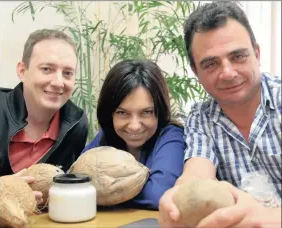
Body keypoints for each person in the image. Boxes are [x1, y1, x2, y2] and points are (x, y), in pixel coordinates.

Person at [158, 1, 281, 227]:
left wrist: (270, 218)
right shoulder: (200, 118)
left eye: (238, 56)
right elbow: (196, 173)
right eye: (211, 64)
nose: (227, 73)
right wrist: (177, 200)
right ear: (196, 71)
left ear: (257, 53)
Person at [82, 59, 185, 210]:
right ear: (109, 114)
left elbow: (157, 195)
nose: (134, 126)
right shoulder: (108, 135)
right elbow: (76, 178)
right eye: (122, 113)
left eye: (146, 112)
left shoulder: (171, 136)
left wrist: (102, 192)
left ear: (159, 111)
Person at [0, 29, 89, 202]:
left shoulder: (76, 124)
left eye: (67, 73)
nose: (58, 82)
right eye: (47, 69)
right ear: (22, 71)